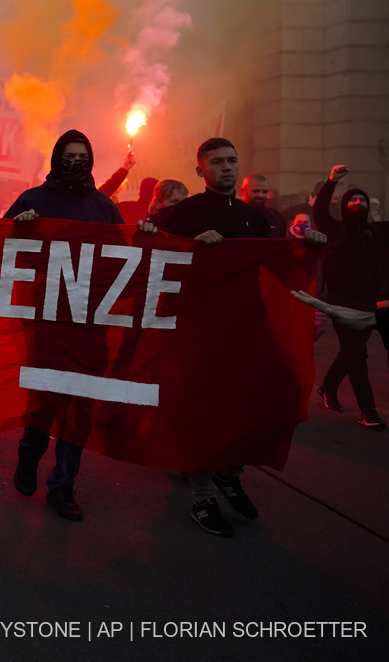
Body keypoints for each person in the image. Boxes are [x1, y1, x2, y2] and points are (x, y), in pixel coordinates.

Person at [161, 137, 328, 536]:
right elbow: (162, 265)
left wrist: (310, 248)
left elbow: (275, 264)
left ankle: (230, 474)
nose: (227, 168)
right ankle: (202, 497)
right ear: (200, 170)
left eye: (232, 161)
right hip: (200, 328)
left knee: (264, 395)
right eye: (217, 162)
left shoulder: (257, 216)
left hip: (247, 326)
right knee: (203, 411)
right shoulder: (186, 213)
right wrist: (192, 248)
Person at [4, 129, 140, 522]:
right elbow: (0, 245)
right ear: (56, 158)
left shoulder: (103, 206)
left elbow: (122, 258)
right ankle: (28, 460)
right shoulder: (34, 200)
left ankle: (63, 485)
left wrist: (145, 238)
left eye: (82, 156)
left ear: (91, 160)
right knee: (43, 400)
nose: (76, 162)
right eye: (69, 155)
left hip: (90, 322)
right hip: (47, 320)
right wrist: (20, 226)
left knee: (79, 407)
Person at [310, 165, 388, 430]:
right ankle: (369, 411)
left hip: (369, 303)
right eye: (352, 200)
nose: (357, 203)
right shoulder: (336, 230)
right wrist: (331, 181)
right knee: (356, 355)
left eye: (362, 200)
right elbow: (319, 211)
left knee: (350, 352)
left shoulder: (377, 232)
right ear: (344, 206)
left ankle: (328, 387)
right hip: (342, 303)